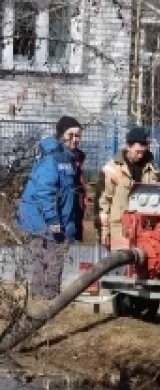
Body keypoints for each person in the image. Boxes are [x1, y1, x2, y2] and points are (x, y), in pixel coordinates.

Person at [16, 116, 82, 299]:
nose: (75, 139)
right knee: (46, 261)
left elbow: (67, 193)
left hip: (53, 219)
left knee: (53, 260)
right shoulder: (53, 160)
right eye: (71, 135)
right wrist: (53, 219)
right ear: (62, 135)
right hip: (41, 220)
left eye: (78, 135)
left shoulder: (68, 159)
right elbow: (45, 192)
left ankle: (47, 300)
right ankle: (44, 301)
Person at [99, 126, 160, 250]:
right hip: (120, 230)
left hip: (146, 231)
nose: (140, 155)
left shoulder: (153, 169)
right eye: (137, 152)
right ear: (128, 146)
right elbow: (103, 202)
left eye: (143, 152)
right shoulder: (112, 168)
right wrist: (104, 230)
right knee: (121, 267)